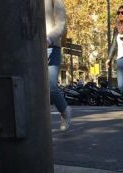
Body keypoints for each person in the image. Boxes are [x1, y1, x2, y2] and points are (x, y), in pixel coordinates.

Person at [45, 0, 72, 131]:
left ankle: (65, 111)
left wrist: (48, 39)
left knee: (51, 86)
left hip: (51, 47)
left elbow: (61, 24)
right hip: (29, 47)